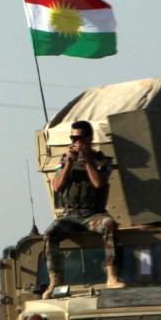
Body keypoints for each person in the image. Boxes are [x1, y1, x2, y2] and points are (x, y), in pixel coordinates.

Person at [45, 120, 122, 289]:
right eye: (72, 138)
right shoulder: (63, 161)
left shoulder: (102, 161)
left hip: (93, 214)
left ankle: (111, 275)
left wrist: (87, 160)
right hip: (71, 215)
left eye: (79, 138)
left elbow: (99, 183)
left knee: (109, 224)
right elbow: (57, 186)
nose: (75, 142)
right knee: (50, 232)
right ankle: (55, 280)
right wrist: (69, 163)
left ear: (89, 139)